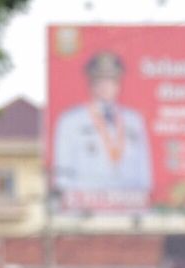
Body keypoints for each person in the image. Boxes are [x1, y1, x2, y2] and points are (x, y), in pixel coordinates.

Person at [51, 51, 152, 199]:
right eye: (100, 80)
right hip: (85, 206)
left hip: (129, 203)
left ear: (118, 84)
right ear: (91, 84)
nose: (106, 86)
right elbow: (62, 174)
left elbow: (144, 171)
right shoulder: (70, 121)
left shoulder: (134, 120)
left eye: (111, 80)